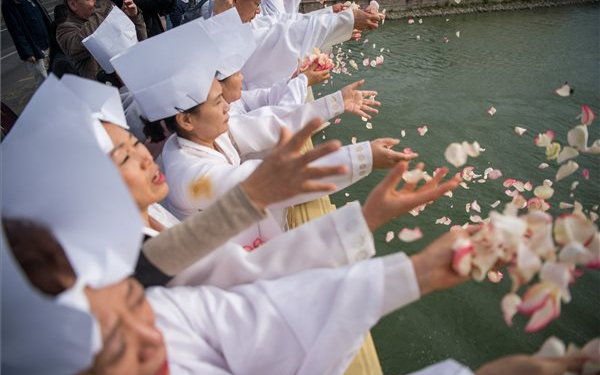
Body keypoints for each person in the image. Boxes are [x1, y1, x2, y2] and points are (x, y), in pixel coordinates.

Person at [57, 0, 146, 79]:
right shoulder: (65, 29)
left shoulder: (103, 13)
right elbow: (85, 41)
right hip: (108, 89)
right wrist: (103, 5)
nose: (96, 2)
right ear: (73, 4)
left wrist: (133, 18)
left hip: (134, 75)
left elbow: (142, 42)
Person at [1, 0, 52, 87]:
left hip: (48, 43)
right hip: (35, 50)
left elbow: (44, 15)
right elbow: (15, 30)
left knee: (54, 76)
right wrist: (27, 52)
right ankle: (48, 99)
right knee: (43, 82)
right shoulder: (9, 3)